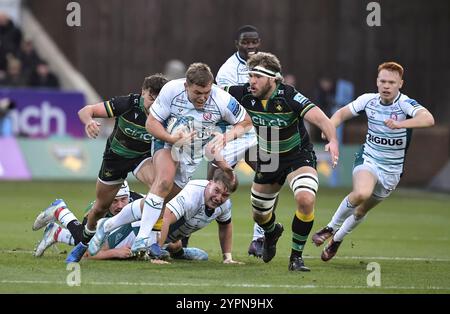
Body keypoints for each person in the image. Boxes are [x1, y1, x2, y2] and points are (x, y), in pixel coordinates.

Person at [88, 63, 251, 257]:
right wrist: (172, 138)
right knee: (163, 181)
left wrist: (226, 137)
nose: (203, 97)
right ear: (186, 86)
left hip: (191, 154)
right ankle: (143, 238)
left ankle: (110, 224)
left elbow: (246, 122)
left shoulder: (222, 100)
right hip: (166, 142)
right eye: (198, 92)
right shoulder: (171, 90)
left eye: (206, 92)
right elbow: (151, 123)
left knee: (162, 199)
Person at [226, 52, 339, 271]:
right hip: (268, 158)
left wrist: (333, 140)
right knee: (259, 213)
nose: (252, 81)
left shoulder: (290, 96)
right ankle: (271, 232)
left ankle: (296, 257)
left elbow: (322, 119)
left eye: (258, 76)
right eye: (251, 75)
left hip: (298, 155)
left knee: (305, 200)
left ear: (273, 78)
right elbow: (209, 90)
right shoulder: (241, 93)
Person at [312, 61, 435, 261]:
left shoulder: (405, 104)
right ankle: (329, 228)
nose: (387, 86)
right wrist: (331, 134)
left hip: (392, 170)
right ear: (377, 82)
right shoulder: (368, 100)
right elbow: (341, 114)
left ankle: (336, 240)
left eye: (392, 82)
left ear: (400, 84)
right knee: (361, 192)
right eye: (383, 81)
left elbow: (428, 119)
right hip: (369, 157)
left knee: (360, 211)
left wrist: (400, 124)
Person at [65, 73, 168, 263]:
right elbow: (85, 110)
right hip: (115, 159)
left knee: (161, 188)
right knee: (99, 209)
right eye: (151, 97)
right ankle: (83, 245)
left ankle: (151, 242)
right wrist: (89, 122)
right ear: (143, 92)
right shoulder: (127, 104)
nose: (154, 103)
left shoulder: (165, 111)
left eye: (158, 98)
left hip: (142, 158)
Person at [89, 169, 241, 264]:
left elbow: (226, 225)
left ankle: (176, 251)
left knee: (175, 243)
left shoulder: (224, 205)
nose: (219, 197)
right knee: (81, 241)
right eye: (216, 191)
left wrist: (227, 257)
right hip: (138, 229)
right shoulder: (191, 195)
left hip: (163, 234)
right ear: (209, 183)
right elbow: (165, 216)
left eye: (225, 195)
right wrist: (112, 253)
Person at [214, 25, 265, 258]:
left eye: (254, 41)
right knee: (215, 187)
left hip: (256, 133)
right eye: (246, 42)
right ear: (237, 44)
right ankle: (180, 240)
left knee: (268, 175)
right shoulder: (227, 69)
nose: (251, 46)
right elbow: (225, 101)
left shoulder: (267, 64)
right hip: (231, 132)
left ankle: (260, 238)